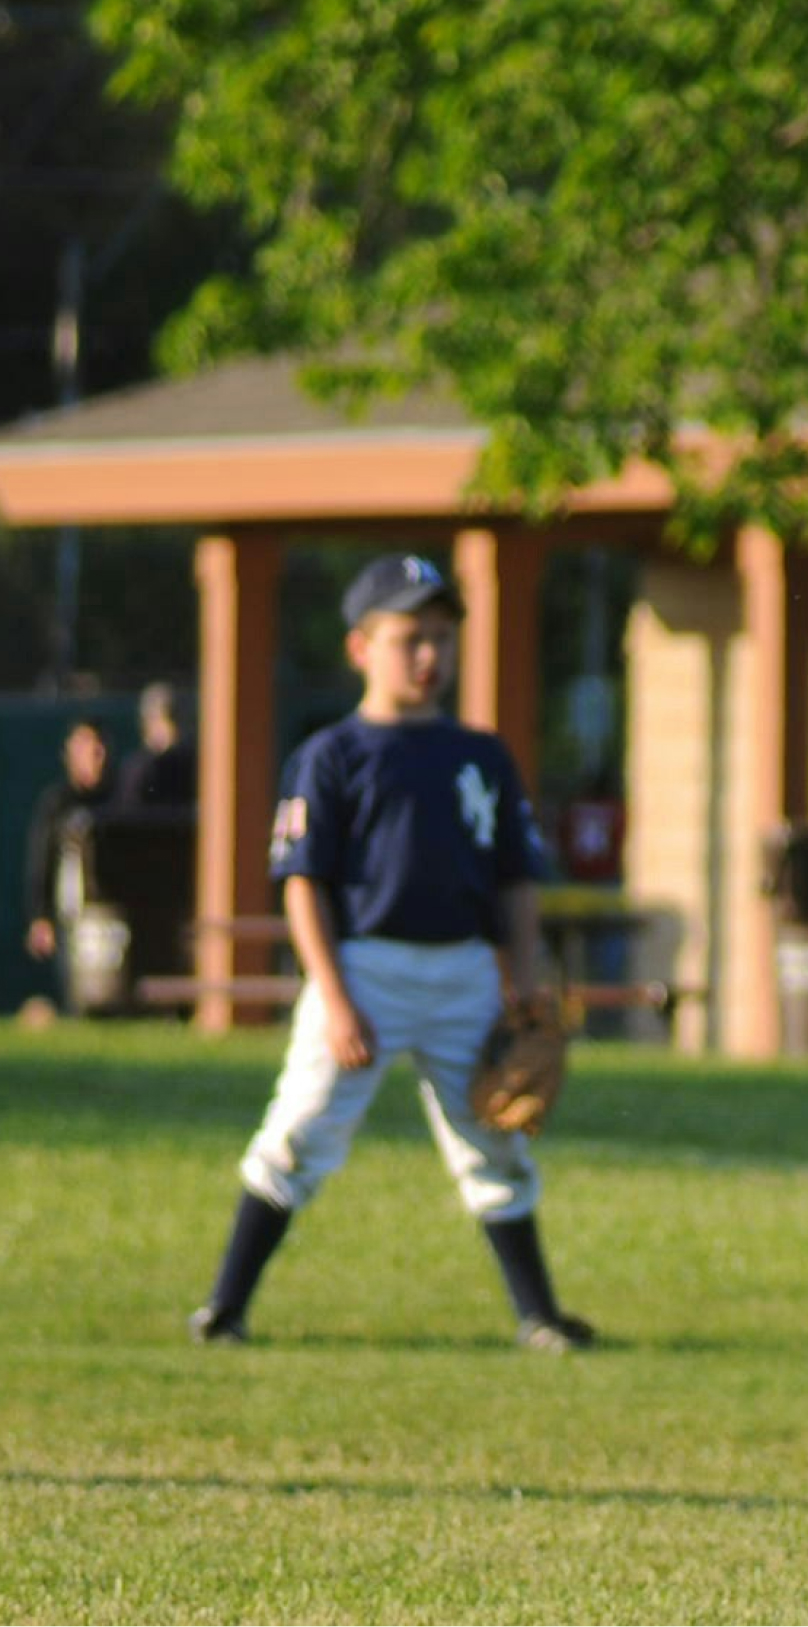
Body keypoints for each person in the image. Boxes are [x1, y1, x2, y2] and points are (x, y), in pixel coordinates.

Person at [187, 554, 595, 1354]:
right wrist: (333, 996)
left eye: (441, 637)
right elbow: (303, 884)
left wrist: (525, 977)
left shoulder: (480, 754)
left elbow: (515, 879)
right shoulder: (332, 754)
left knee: (495, 1135)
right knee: (302, 1128)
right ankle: (225, 1307)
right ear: (360, 648)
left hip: (466, 969)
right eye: (410, 637)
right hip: (364, 967)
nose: (429, 656)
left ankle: (539, 1314)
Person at [20, 716, 115, 970]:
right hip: (73, 916)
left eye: (98, 745)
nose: (94, 754)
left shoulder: (118, 798)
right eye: (84, 744)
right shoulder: (57, 803)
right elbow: (42, 860)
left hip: (112, 914)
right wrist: (40, 917)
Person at [116, 682, 198, 809]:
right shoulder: (137, 770)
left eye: (177, 717)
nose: (173, 727)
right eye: (168, 718)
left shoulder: (190, 765)